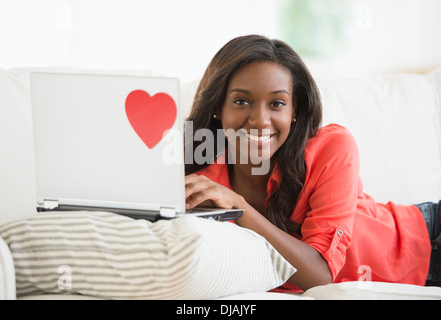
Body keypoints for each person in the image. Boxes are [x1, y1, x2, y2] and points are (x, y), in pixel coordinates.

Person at [183, 34, 440, 291]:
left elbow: (320, 275)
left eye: (277, 103)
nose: (260, 120)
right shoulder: (201, 181)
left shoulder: (331, 147)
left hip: (424, 239)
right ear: (218, 106)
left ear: (294, 110)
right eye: (242, 101)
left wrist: (240, 208)